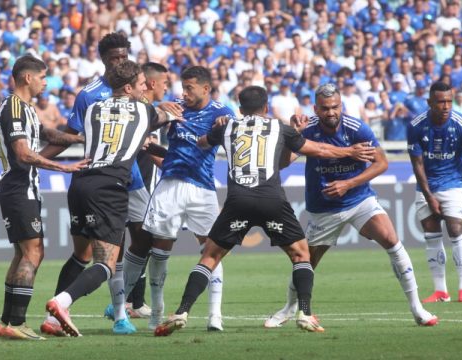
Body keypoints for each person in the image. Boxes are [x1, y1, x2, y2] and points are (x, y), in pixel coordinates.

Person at [153, 85, 375, 336]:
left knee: (210, 258)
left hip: (238, 200)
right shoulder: (280, 128)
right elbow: (319, 149)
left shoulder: (227, 127)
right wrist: (350, 151)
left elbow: (202, 143)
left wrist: (217, 128)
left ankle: (182, 311)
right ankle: (304, 313)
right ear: (266, 108)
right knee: (301, 255)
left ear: (239, 109)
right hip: (271, 200)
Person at [264, 83, 438, 328]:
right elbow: (282, 163)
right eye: (325, 108)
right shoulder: (308, 130)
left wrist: (349, 183)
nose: (331, 112)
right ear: (316, 108)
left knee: (391, 240)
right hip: (323, 208)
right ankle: (289, 309)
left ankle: (417, 308)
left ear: (341, 106)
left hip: (359, 200)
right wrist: (295, 136)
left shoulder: (357, 128)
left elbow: (381, 163)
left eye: (335, 107)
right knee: (305, 262)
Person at [38, 32, 178, 336]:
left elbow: (74, 136)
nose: (148, 89)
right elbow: (158, 116)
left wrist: (35, 159)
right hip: (115, 182)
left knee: (129, 242)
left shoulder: (93, 108)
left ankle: (117, 313)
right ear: (130, 86)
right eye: (143, 85)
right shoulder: (138, 107)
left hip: (85, 179)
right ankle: (68, 303)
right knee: (104, 260)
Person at [0, 54, 89, 340]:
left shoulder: (26, 109)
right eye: (43, 77)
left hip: (24, 188)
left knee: (23, 253)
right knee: (34, 252)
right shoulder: (13, 108)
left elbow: (48, 134)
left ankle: (7, 322)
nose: (46, 83)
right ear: (27, 77)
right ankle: (17, 323)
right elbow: (23, 153)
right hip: (18, 187)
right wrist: (63, 167)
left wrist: (83, 138)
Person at [142, 65, 236, 331]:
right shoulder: (176, 108)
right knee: (160, 251)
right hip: (170, 185)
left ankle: (214, 315)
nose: (184, 93)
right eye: (182, 88)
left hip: (202, 188)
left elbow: (233, 136)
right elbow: (145, 122)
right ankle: (157, 309)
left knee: (212, 250)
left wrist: (225, 127)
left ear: (206, 88)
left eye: (189, 88)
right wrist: (161, 107)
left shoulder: (222, 113)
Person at [103, 62, 171, 322]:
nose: (167, 87)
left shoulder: (148, 110)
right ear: (151, 84)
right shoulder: (141, 110)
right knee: (136, 242)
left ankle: (130, 301)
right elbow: (146, 148)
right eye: (164, 82)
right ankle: (125, 303)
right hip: (131, 184)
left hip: (141, 184)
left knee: (141, 243)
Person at [407, 81, 462, 304]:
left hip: (453, 183)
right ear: (430, 102)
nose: (446, 106)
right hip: (427, 185)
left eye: (449, 101)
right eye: (440, 101)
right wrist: (428, 195)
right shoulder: (416, 126)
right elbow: (417, 163)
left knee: (456, 229)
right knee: (430, 232)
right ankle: (441, 291)